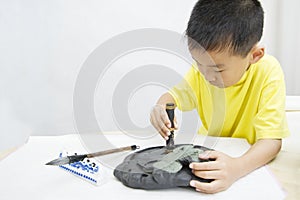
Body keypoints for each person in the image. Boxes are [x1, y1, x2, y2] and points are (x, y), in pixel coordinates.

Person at [150, 0, 289, 194]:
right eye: (199, 63)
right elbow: (174, 96)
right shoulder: (205, 69)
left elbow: (272, 141)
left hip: (249, 163)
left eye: (218, 69)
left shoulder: (268, 72)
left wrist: (237, 168)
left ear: (255, 55)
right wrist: (160, 105)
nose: (207, 76)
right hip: (209, 155)